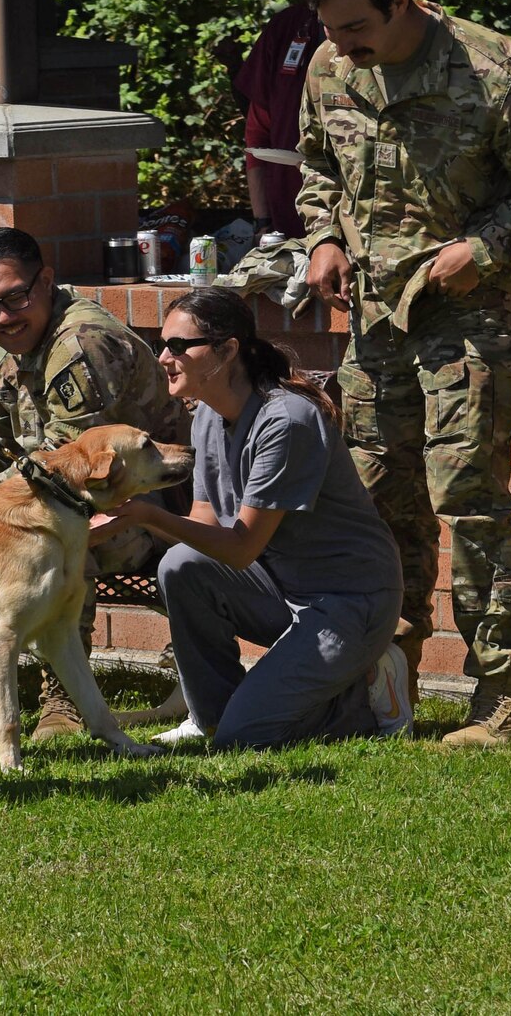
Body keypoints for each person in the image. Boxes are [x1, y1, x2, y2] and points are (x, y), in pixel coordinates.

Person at [296, 0, 511, 745]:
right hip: (374, 320)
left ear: (402, 2)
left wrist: (481, 249)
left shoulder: (490, 72)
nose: (340, 46)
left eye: (355, 27)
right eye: (328, 28)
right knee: (376, 498)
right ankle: (388, 680)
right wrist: (323, 237)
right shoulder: (329, 70)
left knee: (467, 501)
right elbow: (318, 165)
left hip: (469, 319)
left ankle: (500, 696)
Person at [0, 226, 189, 738]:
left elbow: (71, 476)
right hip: (47, 494)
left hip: (150, 506)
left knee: (53, 531)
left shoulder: (81, 345)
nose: (4, 317)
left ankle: (63, 697)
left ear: (46, 281)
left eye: (16, 298)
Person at [97, 288, 406, 748]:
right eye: (162, 343)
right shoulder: (205, 413)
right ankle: (212, 716)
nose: (164, 357)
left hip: (348, 601)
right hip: (282, 590)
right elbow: (205, 525)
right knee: (180, 566)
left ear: (227, 350)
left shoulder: (286, 421)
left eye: (180, 346)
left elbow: (240, 550)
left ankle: (365, 692)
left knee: (246, 738)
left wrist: (144, 515)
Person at [235, 0, 375, 238]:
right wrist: (262, 221)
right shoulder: (285, 28)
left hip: (370, 228)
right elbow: (257, 131)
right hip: (291, 227)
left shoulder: (389, 27)